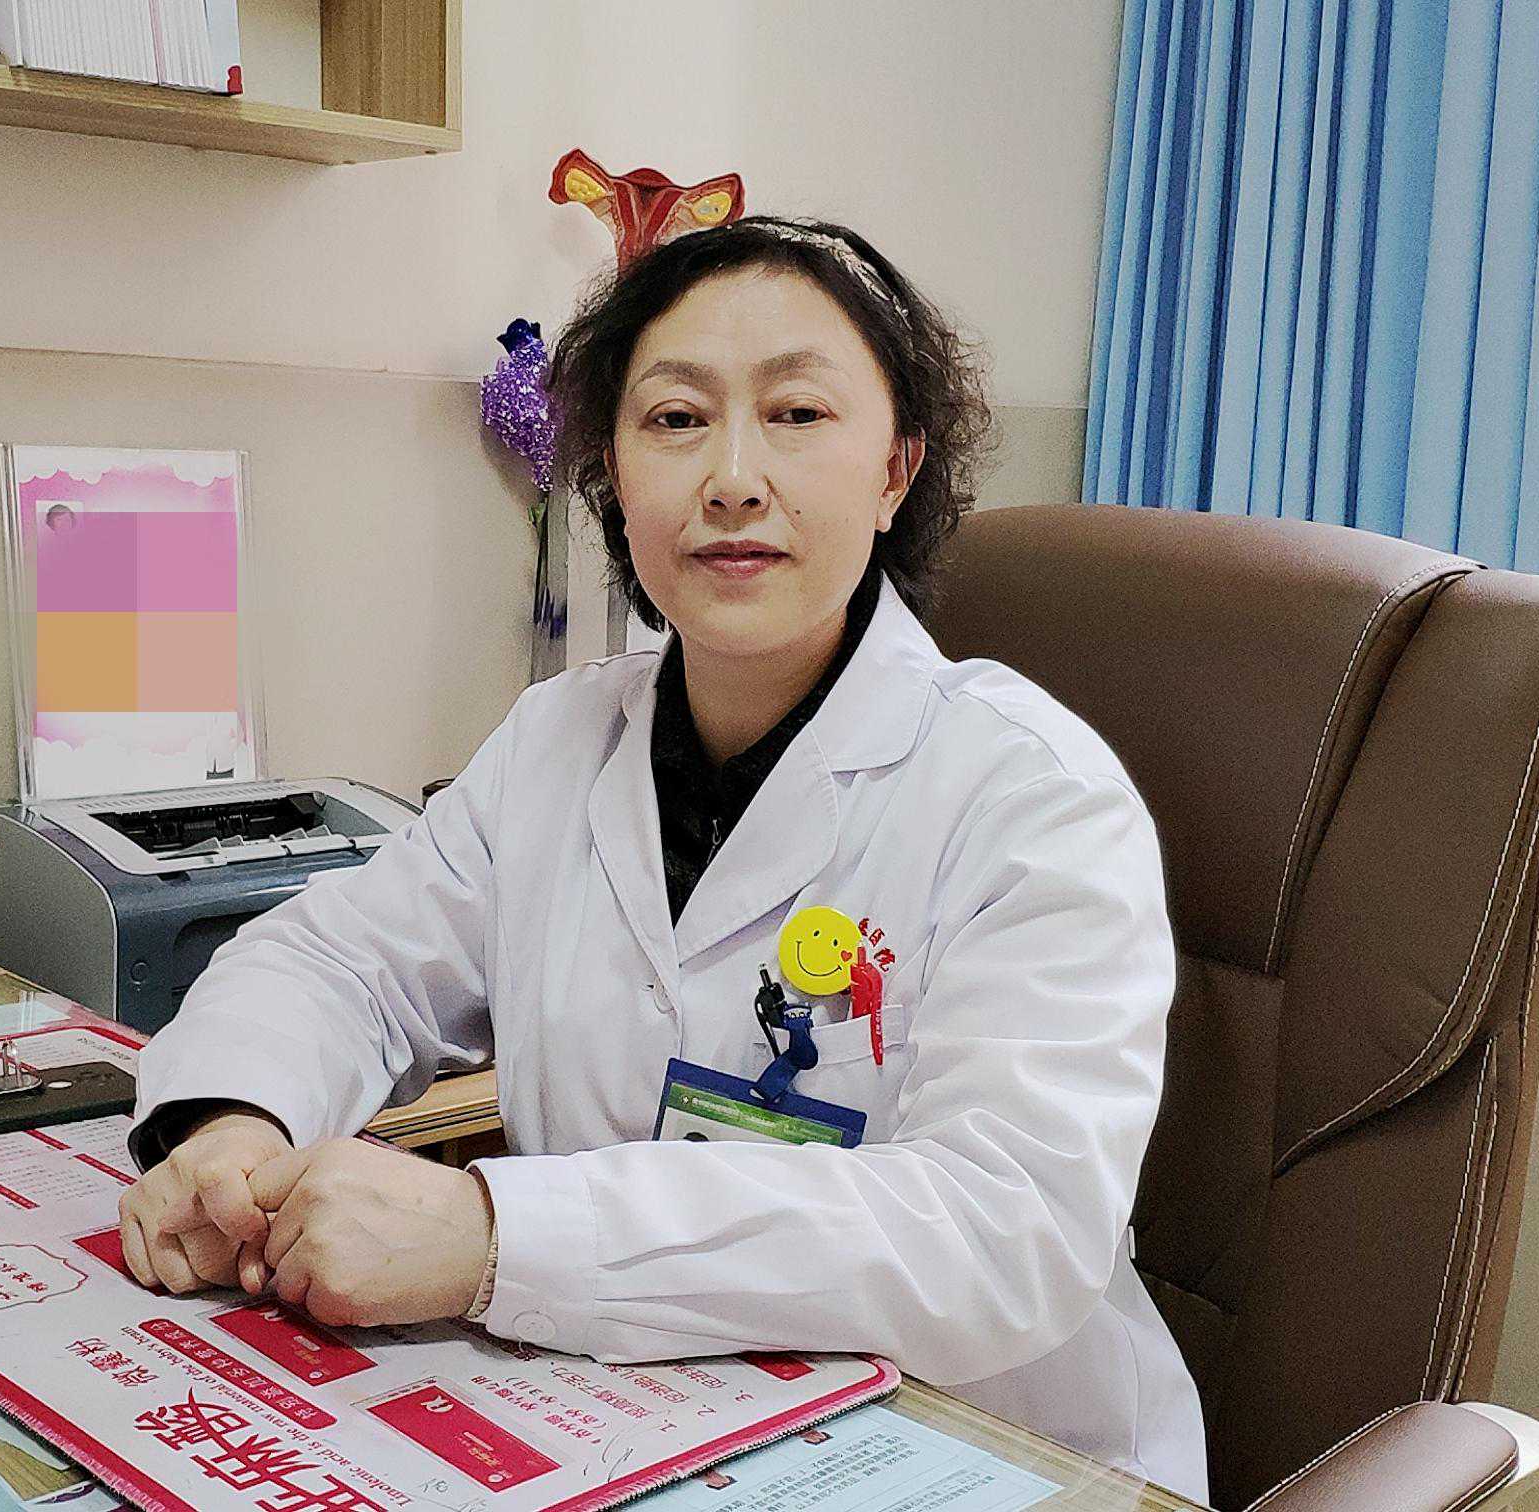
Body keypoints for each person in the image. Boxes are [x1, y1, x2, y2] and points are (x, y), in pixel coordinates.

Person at [117, 216, 1207, 1500]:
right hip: (630, 1427)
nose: (733, 478)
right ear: (614, 479)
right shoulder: (558, 741)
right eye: (677, 420)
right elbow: (341, 961)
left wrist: (496, 1237)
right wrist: (233, 1124)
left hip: (977, 1457)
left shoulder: (1032, 794)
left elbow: (1002, 1230)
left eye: (797, 415)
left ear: (896, 471)